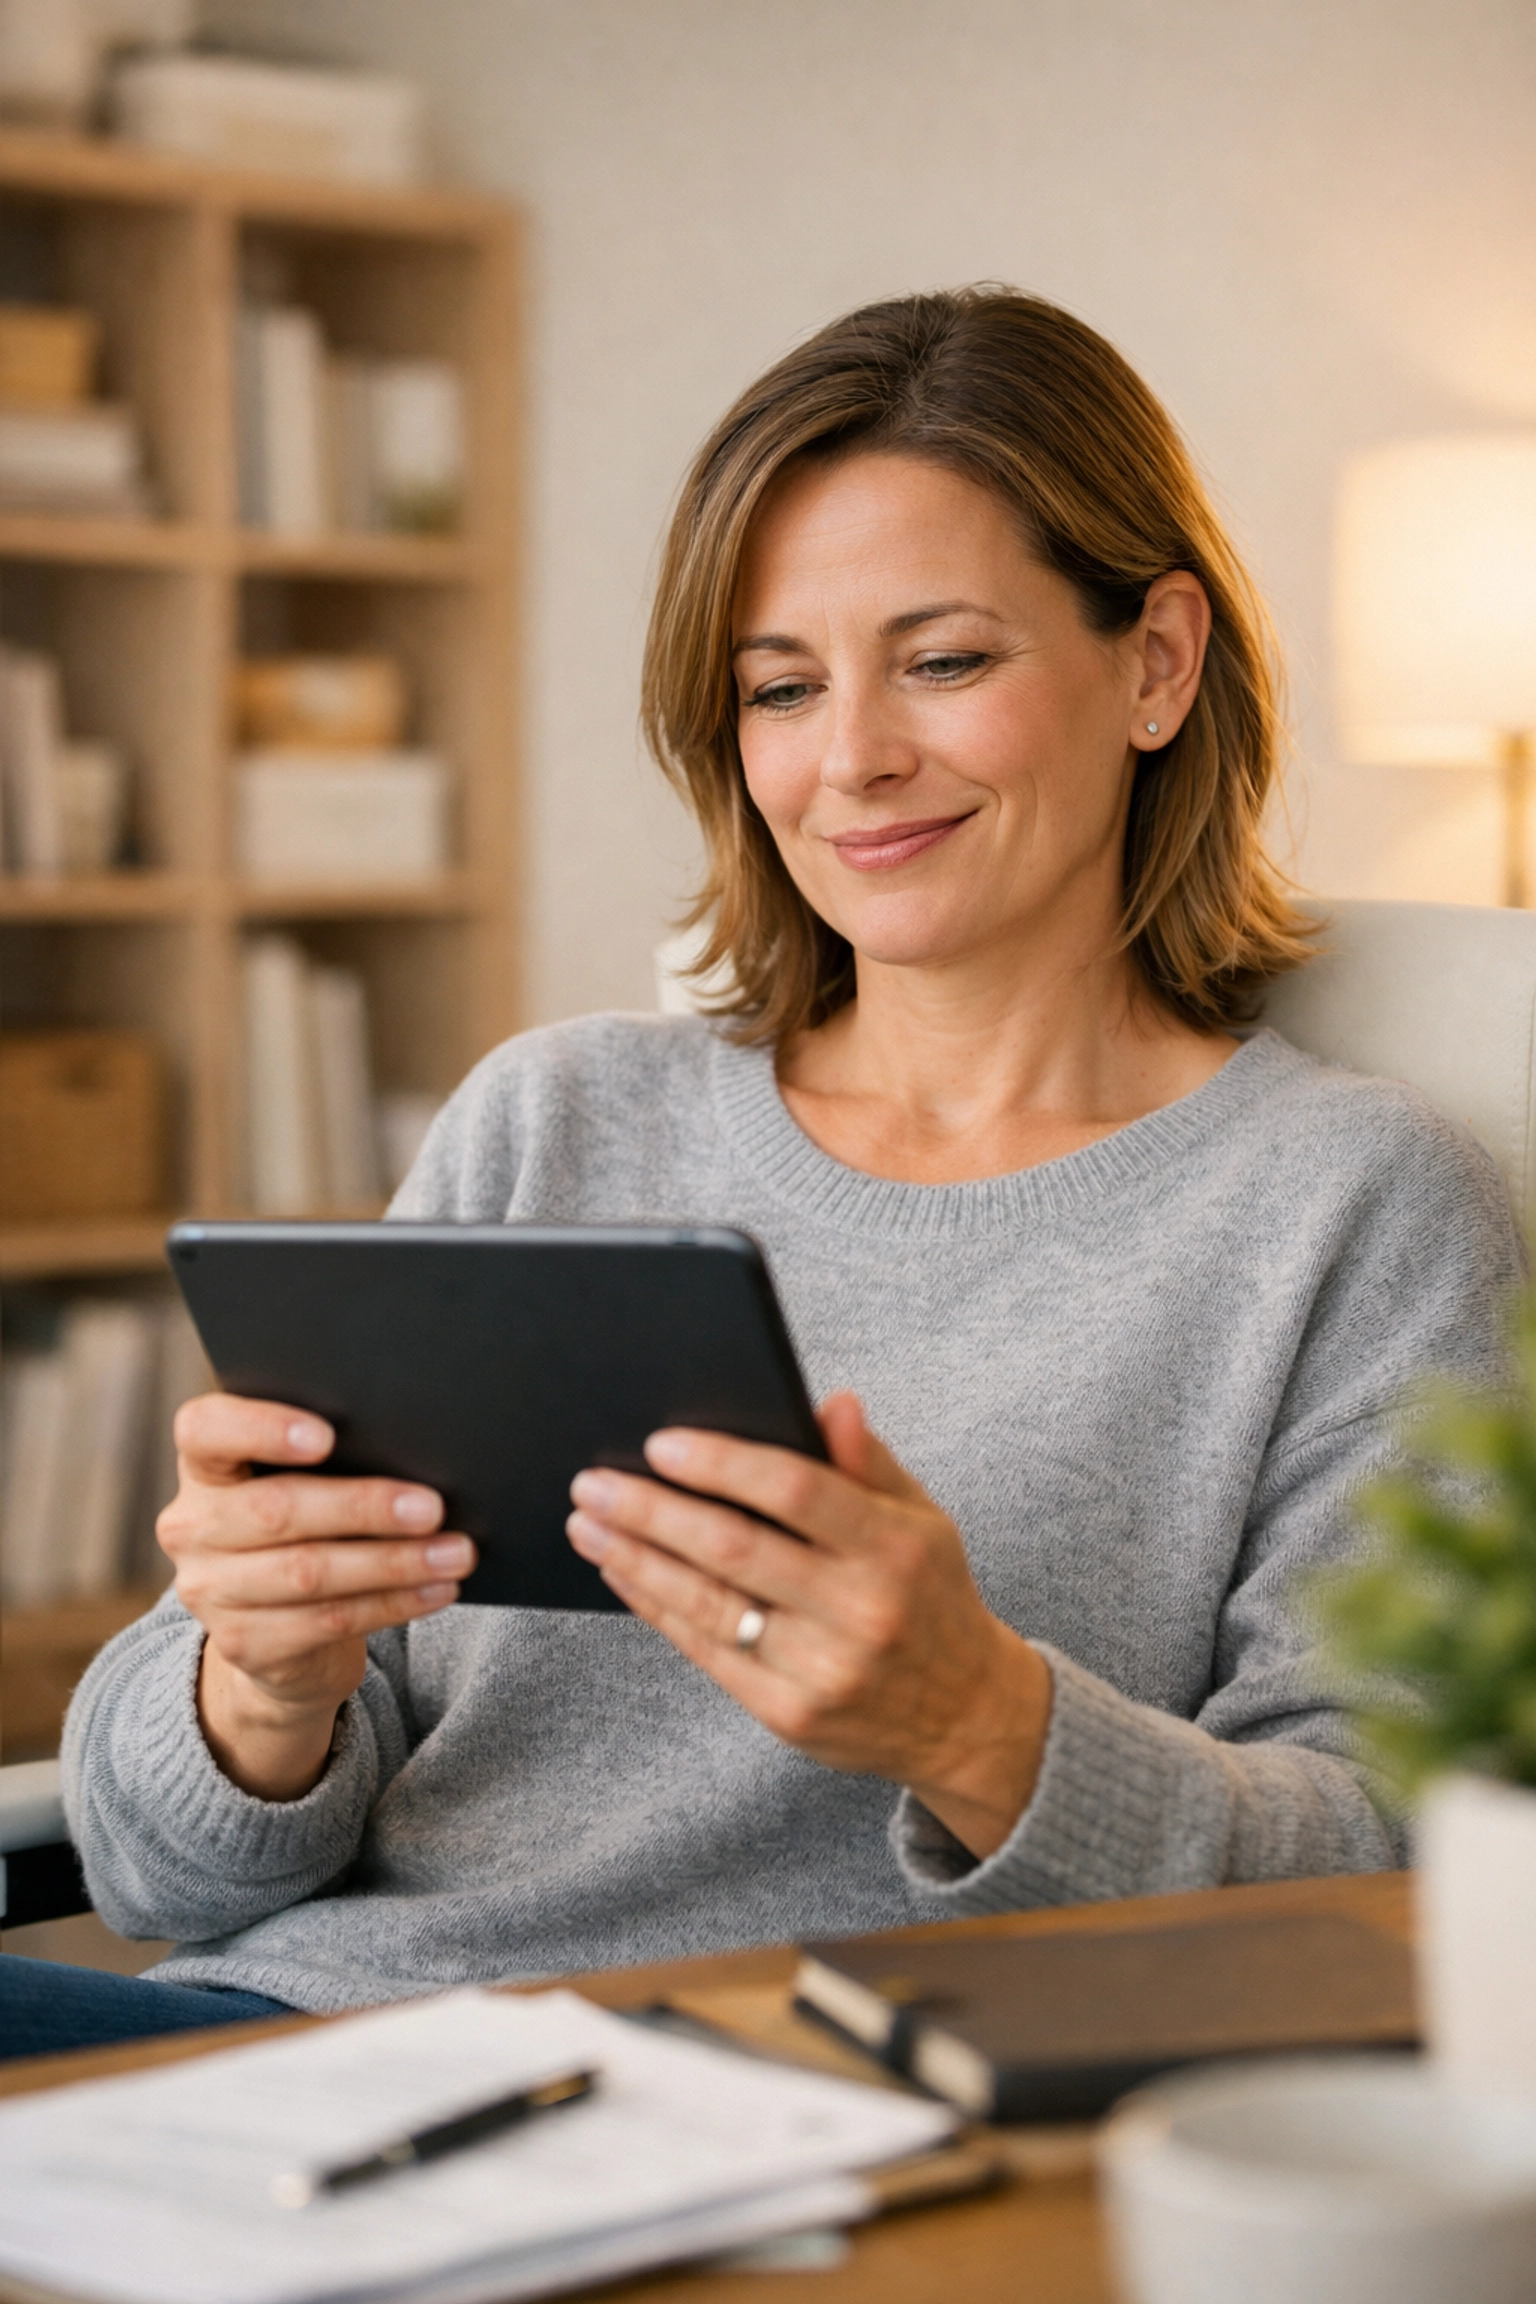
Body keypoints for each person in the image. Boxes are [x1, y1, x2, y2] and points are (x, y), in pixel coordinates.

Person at [9, 287, 1518, 2059]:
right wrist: (256, 1681)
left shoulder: (1352, 1209)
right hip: (291, 2045)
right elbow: (158, 1874)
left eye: (943, 660)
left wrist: (982, 1725)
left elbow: (1401, 1871)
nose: (852, 758)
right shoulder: (553, 1118)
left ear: (1158, 662)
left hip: (784, 2099)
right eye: (779, 688)